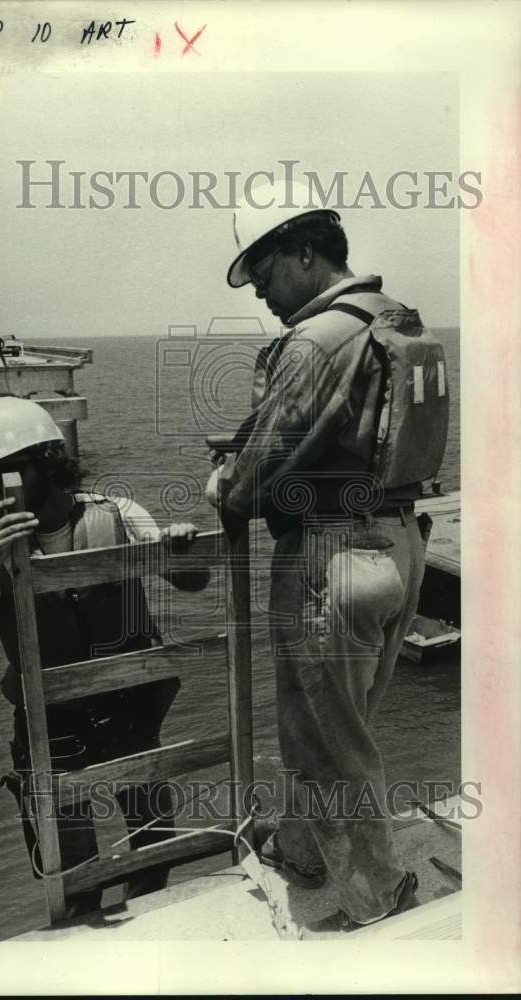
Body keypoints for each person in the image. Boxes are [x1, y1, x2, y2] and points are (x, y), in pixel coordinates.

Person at [210, 179, 448, 931]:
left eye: (267, 273)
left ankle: (378, 899)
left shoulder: (314, 341)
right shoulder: (391, 316)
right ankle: (308, 851)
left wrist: (223, 478)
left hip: (331, 560)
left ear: (305, 253)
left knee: (327, 746)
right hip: (400, 546)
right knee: (343, 727)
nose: (263, 297)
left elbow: (250, 484)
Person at [0, 396, 210, 919]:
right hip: (52, 727)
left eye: (7, 474)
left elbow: (194, 580)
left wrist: (177, 546)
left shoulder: (119, 515)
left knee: (154, 853)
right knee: (73, 881)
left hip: (132, 710)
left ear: (46, 460)